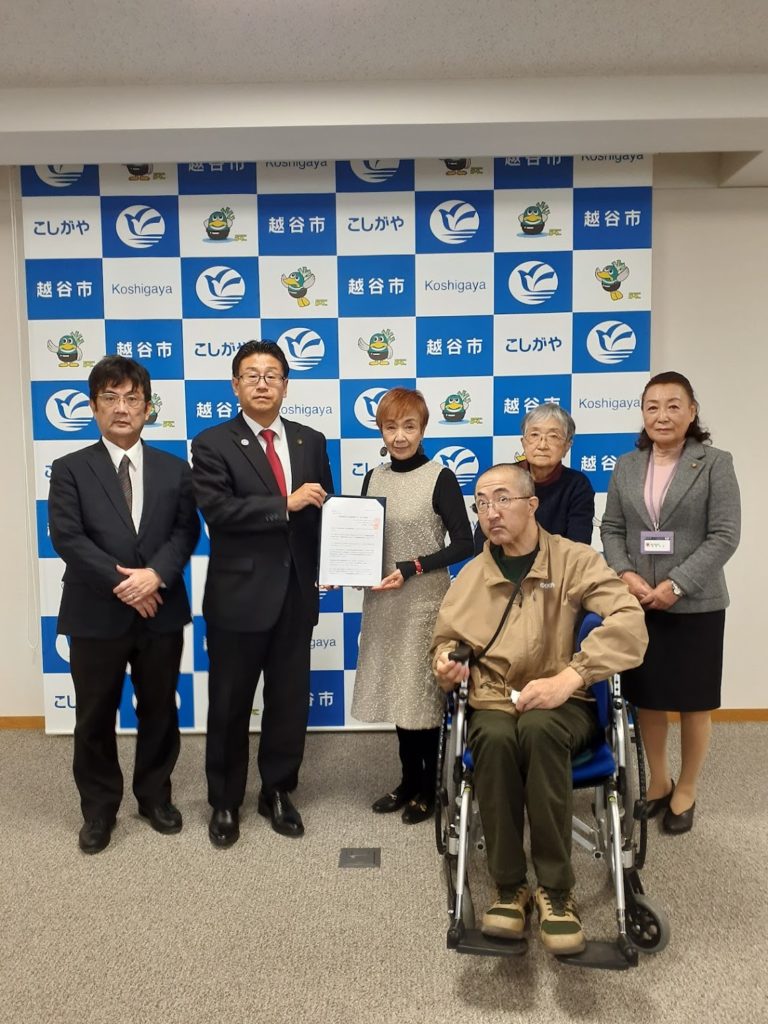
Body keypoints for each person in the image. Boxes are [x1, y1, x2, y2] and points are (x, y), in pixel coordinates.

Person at [432, 463, 647, 954]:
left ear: (532, 505)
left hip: (563, 700)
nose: (491, 512)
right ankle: (510, 887)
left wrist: (571, 676)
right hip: (494, 698)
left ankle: (555, 890)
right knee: (495, 736)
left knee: (538, 729)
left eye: (502, 498)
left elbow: (629, 622)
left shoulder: (575, 560)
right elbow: (445, 640)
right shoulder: (473, 575)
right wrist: (445, 664)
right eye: (482, 503)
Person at [48, 356, 200, 854]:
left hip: (161, 610)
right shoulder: (70, 469)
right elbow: (67, 537)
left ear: (147, 408)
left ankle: (154, 797)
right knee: (94, 715)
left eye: (132, 398)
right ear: (94, 407)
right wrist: (128, 584)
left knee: (159, 708)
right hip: (95, 613)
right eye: (110, 398)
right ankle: (99, 810)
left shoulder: (175, 469)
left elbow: (186, 531)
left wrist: (155, 576)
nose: (121, 408)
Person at [192, 340, 333, 847]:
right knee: (229, 703)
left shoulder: (311, 440)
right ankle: (225, 800)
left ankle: (277, 789)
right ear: (235, 385)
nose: (262, 383)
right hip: (239, 595)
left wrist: (332, 562)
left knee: (288, 701)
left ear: (286, 385)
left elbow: (324, 512)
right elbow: (218, 511)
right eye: (251, 375)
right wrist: (284, 503)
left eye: (272, 375)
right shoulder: (212, 442)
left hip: (296, 592)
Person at [601, 371, 740, 834]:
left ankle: (688, 788)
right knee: (650, 699)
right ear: (643, 413)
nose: (662, 415)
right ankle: (660, 782)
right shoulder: (627, 465)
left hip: (696, 604)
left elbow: (724, 535)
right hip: (640, 602)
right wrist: (627, 575)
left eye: (673, 405)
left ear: (692, 411)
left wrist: (676, 585)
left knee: (694, 703)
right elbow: (612, 528)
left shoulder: (715, 463)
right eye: (653, 406)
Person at [351, 388, 473, 824]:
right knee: (399, 694)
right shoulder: (373, 478)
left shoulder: (440, 477)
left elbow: (465, 543)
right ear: (380, 431)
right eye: (390, 427)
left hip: (424, 601)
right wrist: (349, 567)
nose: (399, 436)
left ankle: (429, 788)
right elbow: (364, 539)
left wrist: (413, 565)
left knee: (422, 697)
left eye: (409, 426)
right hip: (384, 600)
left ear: (423, 429)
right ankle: (407, 781)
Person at [472, 403, 594, 554]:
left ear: (567, 446)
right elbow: (484, 540)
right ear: (523, 442)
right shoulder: (503, 479)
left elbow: (578, 546)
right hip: (503, 564)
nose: (542, 445)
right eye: (534, 435)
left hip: (559, 566)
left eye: (553, 436)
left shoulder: (577, 484)